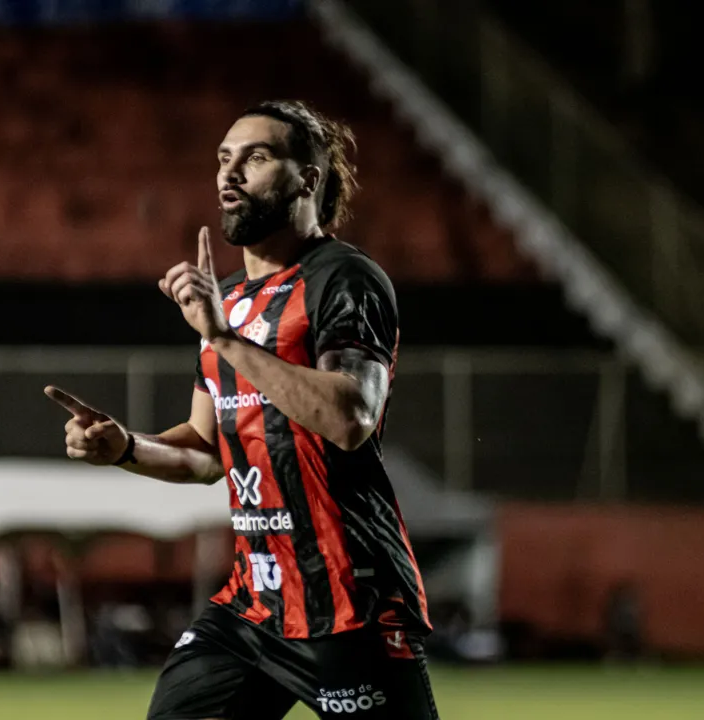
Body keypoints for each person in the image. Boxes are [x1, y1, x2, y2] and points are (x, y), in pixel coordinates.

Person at [46, 100, 439, 719]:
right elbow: (206, 453)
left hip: (345, 599)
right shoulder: (225, 300)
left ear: (309, 177)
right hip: (254, 604)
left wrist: (228, 340)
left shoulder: (345, 278)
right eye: (224, 159)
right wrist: (125, 447)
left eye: (255, 158)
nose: (230, 174)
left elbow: (351, 418)